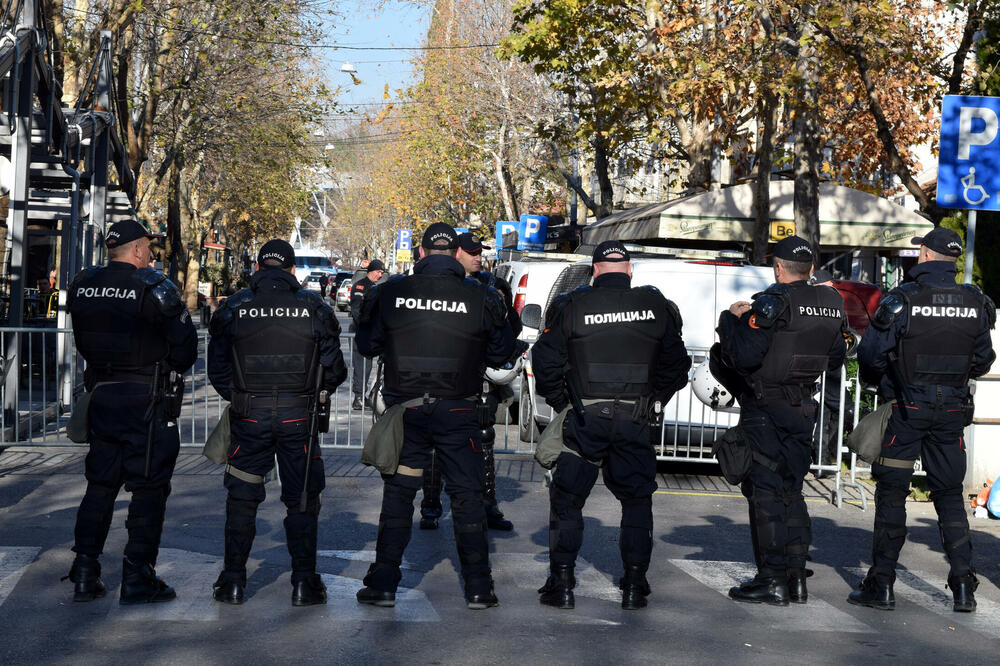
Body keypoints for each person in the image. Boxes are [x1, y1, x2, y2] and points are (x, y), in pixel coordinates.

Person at [354, 222, 517, 610]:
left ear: (422, 253)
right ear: (454, 254)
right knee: (467, 497)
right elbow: (501, 354)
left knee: (398, 496)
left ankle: (384, 584)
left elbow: (366, 343)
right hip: (460, 412)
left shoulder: (391, 292)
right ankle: (479, 588)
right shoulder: (481, 295)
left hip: (406, 412)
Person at [530, 240, 691, 610]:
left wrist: (564, 403)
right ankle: (634, 585)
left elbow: (546, 361)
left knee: (568, 499)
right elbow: (677, 366)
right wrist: (653, 400)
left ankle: (563, 583)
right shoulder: (656, 307)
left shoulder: (573, 305)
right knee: (637, 502)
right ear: (630, 270)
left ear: (594, 270)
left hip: (585, 418)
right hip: (635, 418)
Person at [849, 227, 995, 613]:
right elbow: (983, 360)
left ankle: (881, 586)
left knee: (892, 493)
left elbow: (872, 355)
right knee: (949, 497)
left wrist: (886, 383)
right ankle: (964, 588)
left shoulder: (903, 299)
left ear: (927, 256)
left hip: (907, 411)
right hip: (951, 414)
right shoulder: (975, 302)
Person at [63, 219, 198, 604]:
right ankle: (138, 575)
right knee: (149, 488)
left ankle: (85, 572)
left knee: (100, 486)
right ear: (138, 249)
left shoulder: (84, 284)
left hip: (102, 396)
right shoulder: (154, 286)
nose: (152, 254)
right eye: (149, 248)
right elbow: (185, 351)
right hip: (146, 400)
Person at [207, 239, 348, 606]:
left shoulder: (235, 306)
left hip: (249, 415)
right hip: (298, 415)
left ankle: (234, 582)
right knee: (301, 499)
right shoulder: (312, 306)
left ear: (257, 268)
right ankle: (303, 584)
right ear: (290, 270)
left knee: (242, 497)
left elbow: (217, 368)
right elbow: (335, 369)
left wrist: (240, 396)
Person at [716, 235, 847, 606]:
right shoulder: (831, 303)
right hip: (804, 409)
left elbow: (743, 356)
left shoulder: (773, 302)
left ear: (777, 268)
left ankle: (771, 579)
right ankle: (795, 577)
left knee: (766, 495)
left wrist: (734, 319)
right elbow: (836, 356)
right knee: (792, 491)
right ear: (809, 269)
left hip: (767, 409)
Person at [419, 233, 523, 532]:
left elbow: (510, 331)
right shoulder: (438, 285)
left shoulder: (494, 285)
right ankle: (430, 505)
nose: (478, 256)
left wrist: (502, 309)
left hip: (482, 379)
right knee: (435, 447)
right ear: (455, 254)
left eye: (481, 252)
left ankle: (487, 505)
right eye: (472, 252)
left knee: (484, 442)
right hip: (444, 379)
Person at [350, 259, 385, 410]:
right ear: (371, 271)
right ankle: (358, 398)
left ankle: (361, 396)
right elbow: (357, 310)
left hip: (369, 332)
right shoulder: (360, 286)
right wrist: (365, 327)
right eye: (378, 272)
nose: (380, 275)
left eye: (382, 273)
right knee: (361, 366)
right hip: (360, 331)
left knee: (367, 366)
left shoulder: (374, 287)